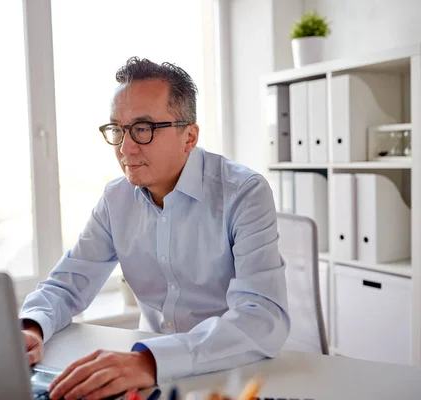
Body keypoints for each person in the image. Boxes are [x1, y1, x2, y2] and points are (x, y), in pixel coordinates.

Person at [19, 57, 290, 400]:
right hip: (150, 382)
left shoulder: (243, 193)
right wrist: (31, 327)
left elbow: (262, 318)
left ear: (189, 136)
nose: (125, 147)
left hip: (236, 376)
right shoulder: (116, 199)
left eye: (143, 129)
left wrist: (149, 361)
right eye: (118, 129)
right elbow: (66, 283)